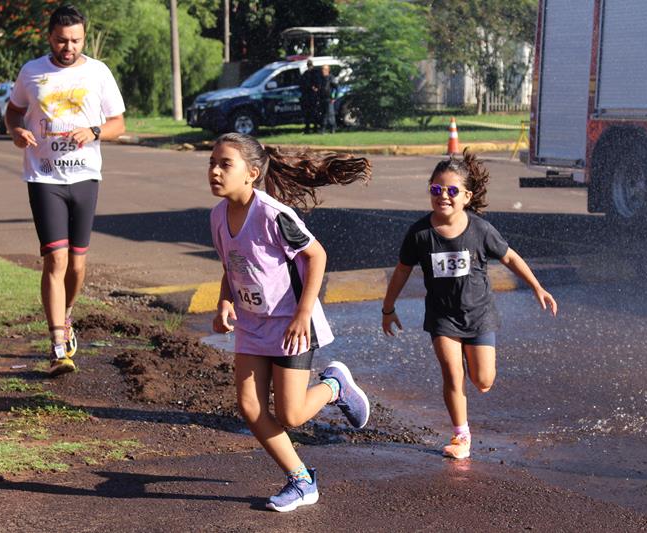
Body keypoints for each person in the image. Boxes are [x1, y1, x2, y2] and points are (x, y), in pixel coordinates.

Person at [208, 133, 372, 512]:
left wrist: (302, 314)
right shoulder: (217, 216)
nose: (214, 171)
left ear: (251, 173)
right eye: (212, 163)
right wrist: (224, 302)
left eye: (224, 164)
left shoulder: (272, 214)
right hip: (252, 324)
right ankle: (301, 481)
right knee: (249, 407)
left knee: (291, 414)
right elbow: (230, 267)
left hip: (291, 324)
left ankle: (334, 386)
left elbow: (317, 256)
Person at [381, 149, 557, 460]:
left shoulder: (480, 230)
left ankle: (474, 363)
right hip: (442, 318)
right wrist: (388, 308)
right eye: (436, 190)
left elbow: (510, 257)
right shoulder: (419, 234)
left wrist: (537, 287)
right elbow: (401, 271)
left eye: (451, 191)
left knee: (483, 381)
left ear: (466, 196)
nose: (442, 197)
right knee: (452, 373)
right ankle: (461, 435)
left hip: (479, 315)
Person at [5, 4, 125, 376]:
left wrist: (93, 132)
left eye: (75, 40)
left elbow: (118, 123)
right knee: (54, 260)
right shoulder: (32, 72)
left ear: (83, 38)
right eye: (61, 40)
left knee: (77, 264)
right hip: (44, 178)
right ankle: (58, 346)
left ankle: (67, 316)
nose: (68, 47)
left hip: (86, 177)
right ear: (50, 37)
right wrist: (16, 131)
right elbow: (13, 112)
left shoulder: (98, 72)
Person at [299, 60, 321, 134]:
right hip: (308, 96)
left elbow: (318, 85)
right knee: (309, 113)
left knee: (313, 113)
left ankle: (313, 128)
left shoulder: (314, 73)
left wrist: (315, 88)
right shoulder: (307, 74)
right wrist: (312, 87)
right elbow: (303, 84)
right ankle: (309, 128)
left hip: (312, 96)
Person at [318, 64, 338, 134]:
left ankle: (332, 129)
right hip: (322, 99)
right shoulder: (320, 78)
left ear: (328, 70)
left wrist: (334, 97)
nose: (323, 71)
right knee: (323, 115)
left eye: (324, 69)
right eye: (322, 69)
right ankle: (322, 129)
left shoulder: (331, 78)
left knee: (330, 114)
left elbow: (336, 88)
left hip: (329, 99)